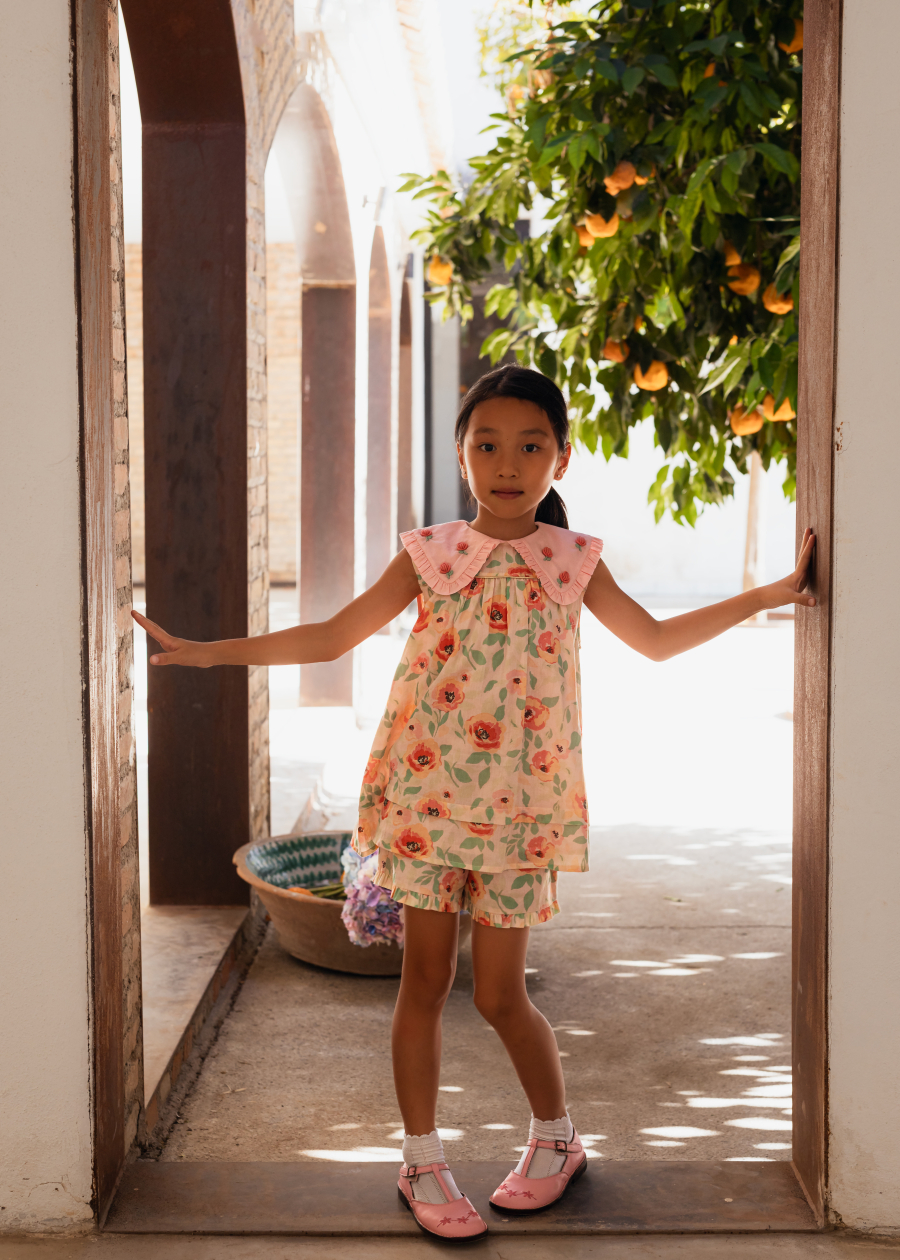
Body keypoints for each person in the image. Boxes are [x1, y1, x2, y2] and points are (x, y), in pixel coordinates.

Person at [133, 364, 815, 1241]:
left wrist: (770, 593)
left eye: (531, 446)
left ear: (561, 458)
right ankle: (421, 1161)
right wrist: (208, 651)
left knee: (500, 996)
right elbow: (333, 634)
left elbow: (654, 639)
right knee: (424, 982)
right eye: (487, 445)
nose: (508, 464)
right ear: (460, 456)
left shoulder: (574, 561)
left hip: (524, 816)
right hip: (428, 806)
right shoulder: (432, 553)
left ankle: (557, 1142)